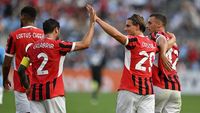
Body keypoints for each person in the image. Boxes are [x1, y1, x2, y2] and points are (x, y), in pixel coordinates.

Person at [89, 5, 169, 113]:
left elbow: (115, 34)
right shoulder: (152, 43)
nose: (125, 29)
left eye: (128, 26)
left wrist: (97, 19)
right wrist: (164, 52)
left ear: (137, 26)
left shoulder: (133, 41)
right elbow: (164, 40)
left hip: (130, 90)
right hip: (148, 92)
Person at [17, 5, 95, 113]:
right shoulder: (58, 45)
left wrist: (27, 87)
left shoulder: (31, 48)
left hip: (35, 95)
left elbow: (21, 69)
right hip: (53, 94)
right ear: (56, 30)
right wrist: (92, 23)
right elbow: (85, 44)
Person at [2, 6, 44, 113]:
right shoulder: (43, 35)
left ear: (22, 17)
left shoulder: (14, 35)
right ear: (34, 18)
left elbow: (7, 63)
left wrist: (5, 78)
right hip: (40, 81)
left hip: (21, 81)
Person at [146, 13, 181, 113]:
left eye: (150, 23)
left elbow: (161, 40)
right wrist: (174, 39)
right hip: (175, 89)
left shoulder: (157, 35)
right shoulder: (174, 42)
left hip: (160, 84)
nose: (147, 26)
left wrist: (162, 54)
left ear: (159, 25)